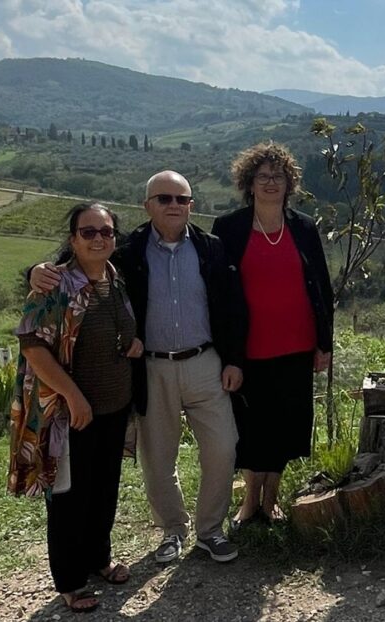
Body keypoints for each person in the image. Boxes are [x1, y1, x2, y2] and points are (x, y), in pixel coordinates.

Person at [29, 171, 243, 564]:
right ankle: (172, 531)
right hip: (150, 368)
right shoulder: (127, 249)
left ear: (192, 205)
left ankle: (210, 531)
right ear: (148, 206)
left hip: (205, 363)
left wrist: (233, 360)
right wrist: (34, 271)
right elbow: (73, 266)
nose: (175, 206)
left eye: (182, 199)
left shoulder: (211, 247)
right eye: (164, 199)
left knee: (222, 449)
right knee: (158, 458)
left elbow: (232, 305)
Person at [9, 203, 144, 613]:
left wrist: (131, 344)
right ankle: (69, 579)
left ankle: (98, 559)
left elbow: (114, 331)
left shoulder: (114, 280)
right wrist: (72, 395)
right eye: (88, 232)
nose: (99, 238)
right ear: (72, 240)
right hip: (71, 413)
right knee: (69, 496)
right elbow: (33, 347)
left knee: (103, 489)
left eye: (106, 231)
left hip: (114, 406)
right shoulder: (56, 286)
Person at [211, 142, 334, 527]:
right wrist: (227, 352)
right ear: (249, 183)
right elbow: (217, 294)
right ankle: (250, 502)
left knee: (284, 425)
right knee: (251, 427)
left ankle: (272, 500)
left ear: (289, 183)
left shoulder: (304, 227)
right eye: (262, 176)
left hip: (296, 345)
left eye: (277, 176)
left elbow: (322, 288)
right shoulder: (228, 228)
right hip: (248, 349)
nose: (270, 183)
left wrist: (324, 344)